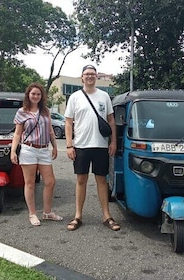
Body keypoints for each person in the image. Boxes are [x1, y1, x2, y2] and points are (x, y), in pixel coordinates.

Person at [64, 65, 120, 231]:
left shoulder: (104, 96)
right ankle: (78, 216)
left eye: (92, 74)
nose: (89, 76)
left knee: (102, 180)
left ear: (96, 77)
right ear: (82, 77)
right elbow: (68, 122)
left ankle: (106, 215)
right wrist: (68, 145)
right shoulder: (74, 97)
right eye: (86, 74)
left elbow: (111, 120)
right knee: (81, 180)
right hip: (81, 145)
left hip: (101, 145)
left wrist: (113, 142)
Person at [10, 82, 62, 226]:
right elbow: (17, 133)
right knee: (30, 183)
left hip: (44, 149)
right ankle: (32, 213)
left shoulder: (45, 111)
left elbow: (50, 130)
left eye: (38, 94)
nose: (36, 96)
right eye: (33, 93)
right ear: (28, 95)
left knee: (50, 181)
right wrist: (13, 151)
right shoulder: (22, 112)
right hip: (29, 149)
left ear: (42, 96)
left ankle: (47, 212)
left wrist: (55, 146)